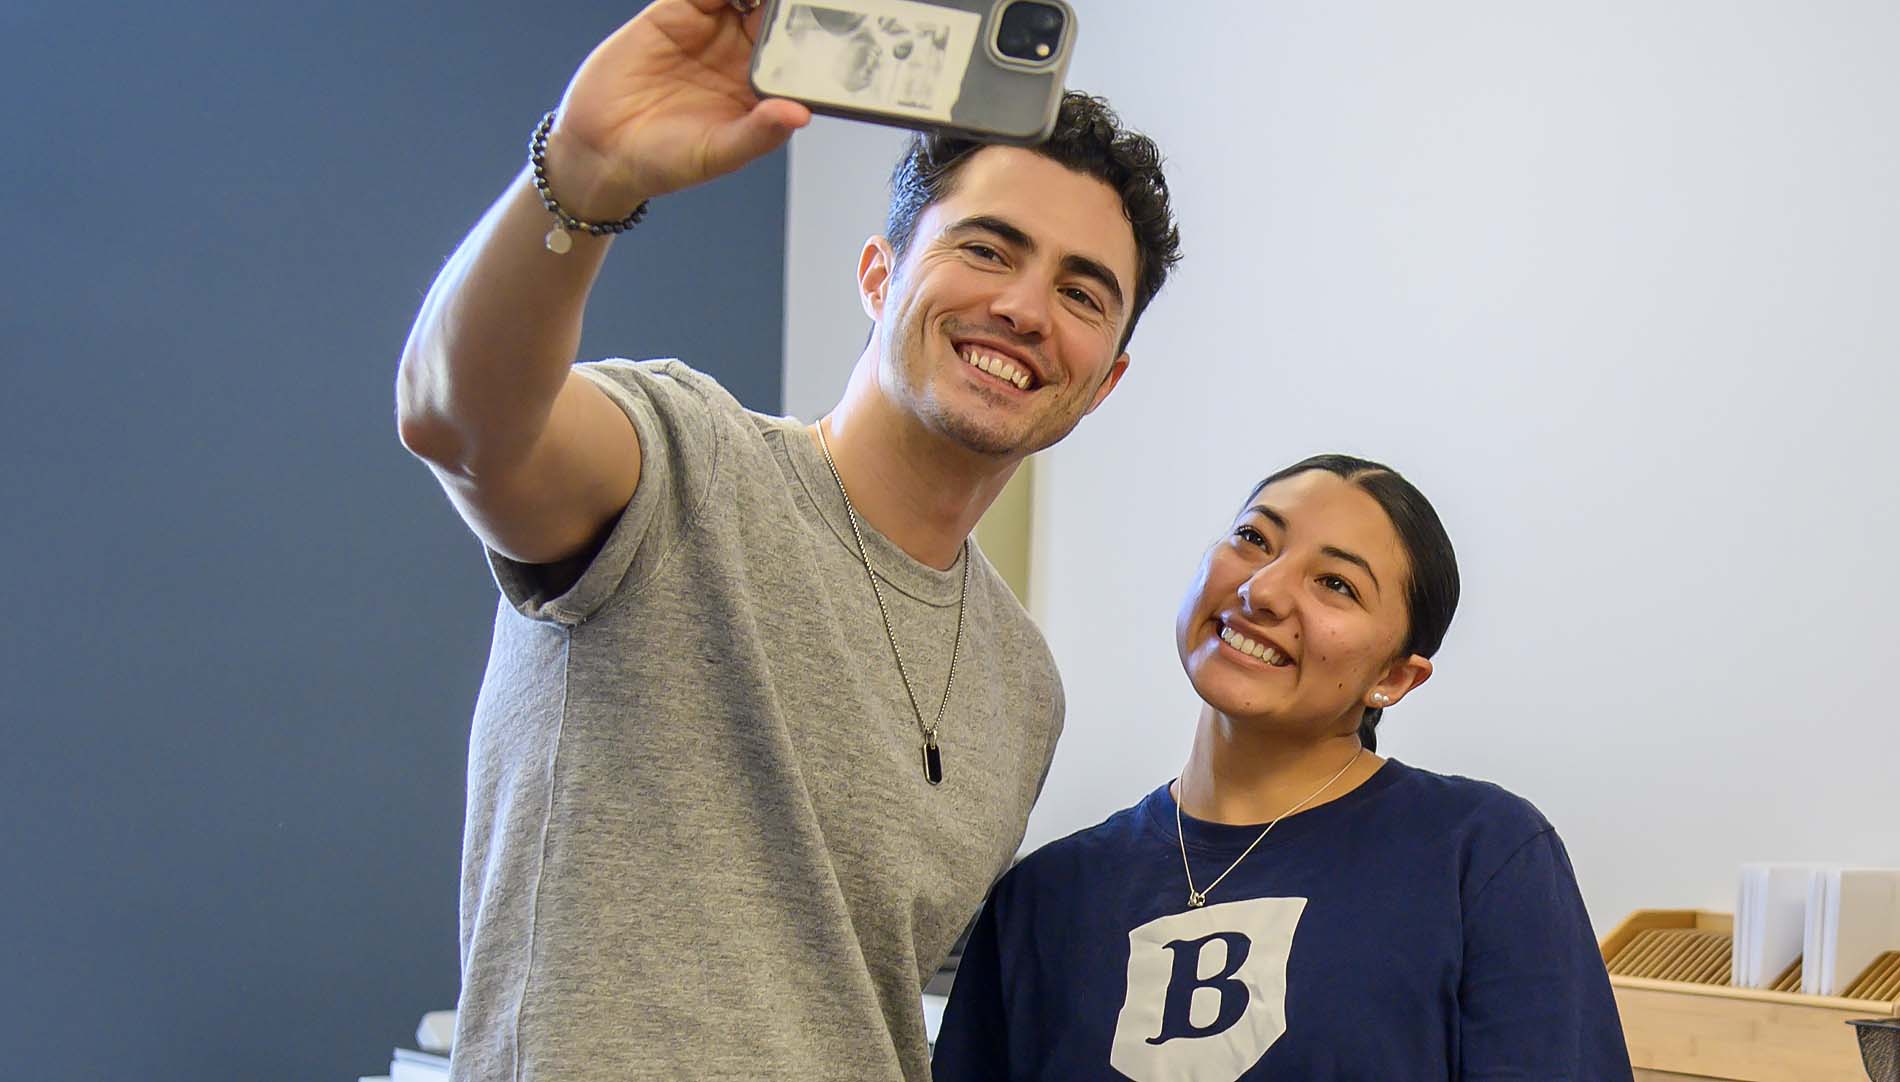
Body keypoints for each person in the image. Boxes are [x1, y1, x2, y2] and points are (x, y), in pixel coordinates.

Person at [392, 0, 1181, 1079]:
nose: (1025, 307)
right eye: (987, 248)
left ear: (1105, 380)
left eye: (1082, 292)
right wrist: (581, 174)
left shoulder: (1022, 682)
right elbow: (459, 416)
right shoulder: (678, 463)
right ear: (878, 273)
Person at [932, 455, 1633, 1081]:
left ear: (1394, 676)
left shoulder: (1481, 855)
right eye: (1254, 539)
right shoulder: (1045, 896)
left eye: (1335, 584)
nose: (1264, 590)